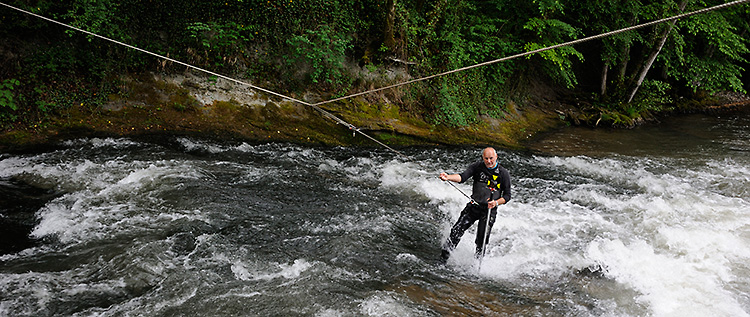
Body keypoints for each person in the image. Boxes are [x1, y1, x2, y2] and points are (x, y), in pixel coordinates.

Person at [439, 147, 511, 262]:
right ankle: (442, 260)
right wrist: (448, 177)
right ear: (483, 158)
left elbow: (507, 196)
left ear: (496, 157)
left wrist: (496, 202)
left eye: (491, 158)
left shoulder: (503, 173)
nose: (489, 161)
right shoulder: (477, 167)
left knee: (481, 240)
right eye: (486, 158)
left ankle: (477, 266)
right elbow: (462, 177)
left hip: (489, 210)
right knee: (456, 231)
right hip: (474, 206)